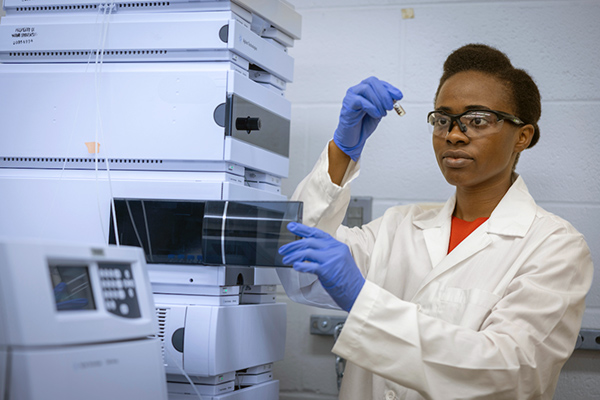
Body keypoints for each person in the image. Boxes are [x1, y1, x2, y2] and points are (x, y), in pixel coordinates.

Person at [276, 44, 593, 400]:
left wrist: (362, 300)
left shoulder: (554, 246)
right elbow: (295, 266)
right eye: (443, 119)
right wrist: (341, 152)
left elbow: (508, 373)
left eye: (478, 120)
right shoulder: (399, 226)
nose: (453, 134)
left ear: (523, 136)